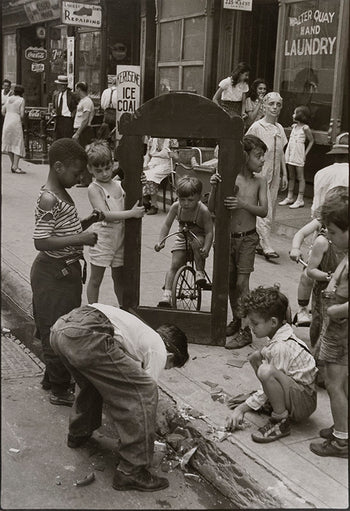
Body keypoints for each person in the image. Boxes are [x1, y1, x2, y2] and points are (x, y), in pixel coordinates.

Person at [50, 303, 189, 491]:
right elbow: (144, 392)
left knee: (94, 382)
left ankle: (79, 433)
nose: (165, 367)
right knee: (146, 391)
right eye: (170, 366)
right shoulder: (159, 349)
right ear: (170, 354)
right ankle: (131, 472)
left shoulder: (138, 331)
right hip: (87, 334)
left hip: (62, 328)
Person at [30, 138, 103, 407]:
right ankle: (60, 388)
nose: (79, 178)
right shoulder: (49, 198)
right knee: (55, 330)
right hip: (52, 274)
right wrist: (80, 240)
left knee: (59, 325)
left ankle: (52, 378)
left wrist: (88, 222)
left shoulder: (60, 193)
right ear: (58, 167)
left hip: (65, 273)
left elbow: (63, 231)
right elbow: (41, 241)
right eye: (76, 173)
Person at [225, 286, 317, 443]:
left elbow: (271, 375)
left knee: (265, 371)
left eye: (255, 323)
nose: (251, 328)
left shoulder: (281, 346)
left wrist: (243, 408)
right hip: (294, 392)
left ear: (273, 322)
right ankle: (273, 403)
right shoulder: (277, 334)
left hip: (304, 403)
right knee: (255, 357)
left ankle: (280, 420)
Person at [208, 135, 268, 348]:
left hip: (248, 239)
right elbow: (212, 208)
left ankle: (246, 330)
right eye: (258, 156)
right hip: (227, 238)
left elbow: (263, 210)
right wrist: (214, 186)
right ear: (244, 157)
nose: (262, 161)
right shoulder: (229, 178)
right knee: (230, 283)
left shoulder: (260, 181)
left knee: (243, 284)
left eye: (263, 156)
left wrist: (242, 204)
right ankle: (237, 318)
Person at [290, 133, 349, 326]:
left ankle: (302, 310)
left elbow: (315, 208)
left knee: (308, 273)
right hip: (335, 229)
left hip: (325, 228)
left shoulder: (320, 173)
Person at [309, 188, 348, 458]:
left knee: (334, 384)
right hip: (339, 328)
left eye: (333, 232)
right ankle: (342, 428)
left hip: (341, 328)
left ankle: (342, 441)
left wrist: (335, 311)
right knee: (342, 384)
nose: (330, 238)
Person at [86, 140, 145, 305]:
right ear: (90, 169)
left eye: (107, 168)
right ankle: (93, 308)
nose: (104, 174)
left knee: (119, 277)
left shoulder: (119, 185)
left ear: (113, 164)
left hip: (120, 236)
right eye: (98, 170)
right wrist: (131, 214)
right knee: (96, 278)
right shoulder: (94, 188)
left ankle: (123, 308)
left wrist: (140, 181)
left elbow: (135, 193)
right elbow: (104, 214)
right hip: (103, 237)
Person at [155, 176, 213, 308]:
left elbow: (209, 231)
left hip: (198, 237)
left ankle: (199, 272)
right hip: (182, 237)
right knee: (175, 264)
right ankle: (167, 295)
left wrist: (207, 249)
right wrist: (161, 241)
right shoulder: (176, 207)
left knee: (198, 244)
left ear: (198, 197)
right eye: (182, 199)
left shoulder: (203, 211)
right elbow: (166, 224)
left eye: (190, 200)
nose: (186, 203)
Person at [247, 92, 288, 259]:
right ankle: (266, 244)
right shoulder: (257, 127)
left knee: (272, 206)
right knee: (265, 207)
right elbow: (247, 148)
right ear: (264, 106)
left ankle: (258, 241)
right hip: (261, 172)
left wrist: (285, 174)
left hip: (275, 174)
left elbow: (281, 153)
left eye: (278, 104)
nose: (274, 108)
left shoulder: (279, 129)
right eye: (271, 104)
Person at [279, 106, 314, 209]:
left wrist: (305, 154)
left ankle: (300, 199)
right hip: (291, 152)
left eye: (294, 113)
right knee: (291, 176)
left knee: (300, 176)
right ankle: (289, 196)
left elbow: (311, 141)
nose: (293, 115)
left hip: (299, 153)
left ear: (300, 115)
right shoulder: (294, 127)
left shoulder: (305, 128)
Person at [143, 137, 178, 215]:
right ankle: (145, 200)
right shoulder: (152, 139)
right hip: (153, 162)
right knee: (142, 173)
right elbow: (148, 154)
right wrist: (145, 164)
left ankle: (154, 205)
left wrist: (173, 154)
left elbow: (176, 158)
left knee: (151, 176)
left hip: (165, 164)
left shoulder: (171, 140)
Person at [73, 81, 95, 187]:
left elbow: (85, 119)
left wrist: (78, 132)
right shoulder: (83, 101)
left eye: (76, 89)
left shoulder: (87, 102)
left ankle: (86, 179)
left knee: (84, 155)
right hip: (81, 129)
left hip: (84, 131)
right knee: (79, 154)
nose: (75, 91)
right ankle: (81, 177)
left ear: (79, 89)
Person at [1, 84, 26, 174]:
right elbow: (22, 114)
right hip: (16, 121)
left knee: (9, 143)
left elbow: (2, 111)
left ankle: (13, 165)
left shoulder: (8, 98)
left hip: (7, 120)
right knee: (17, 142)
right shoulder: (21, 100)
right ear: (22, 93)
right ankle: (15, 166)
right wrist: (19, 117)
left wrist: (9, 115)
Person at [52, 75, 78, 140]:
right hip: (58, 119)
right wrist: (53, 111)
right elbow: (54, 106)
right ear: (58, 85)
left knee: (67, 139)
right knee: (58, 138)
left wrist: (73, 113)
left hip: (68, 120)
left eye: (64, 85)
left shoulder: (72, 95)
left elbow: (77, 106)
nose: (63, 87)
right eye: (61, 85)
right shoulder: (56, 94)